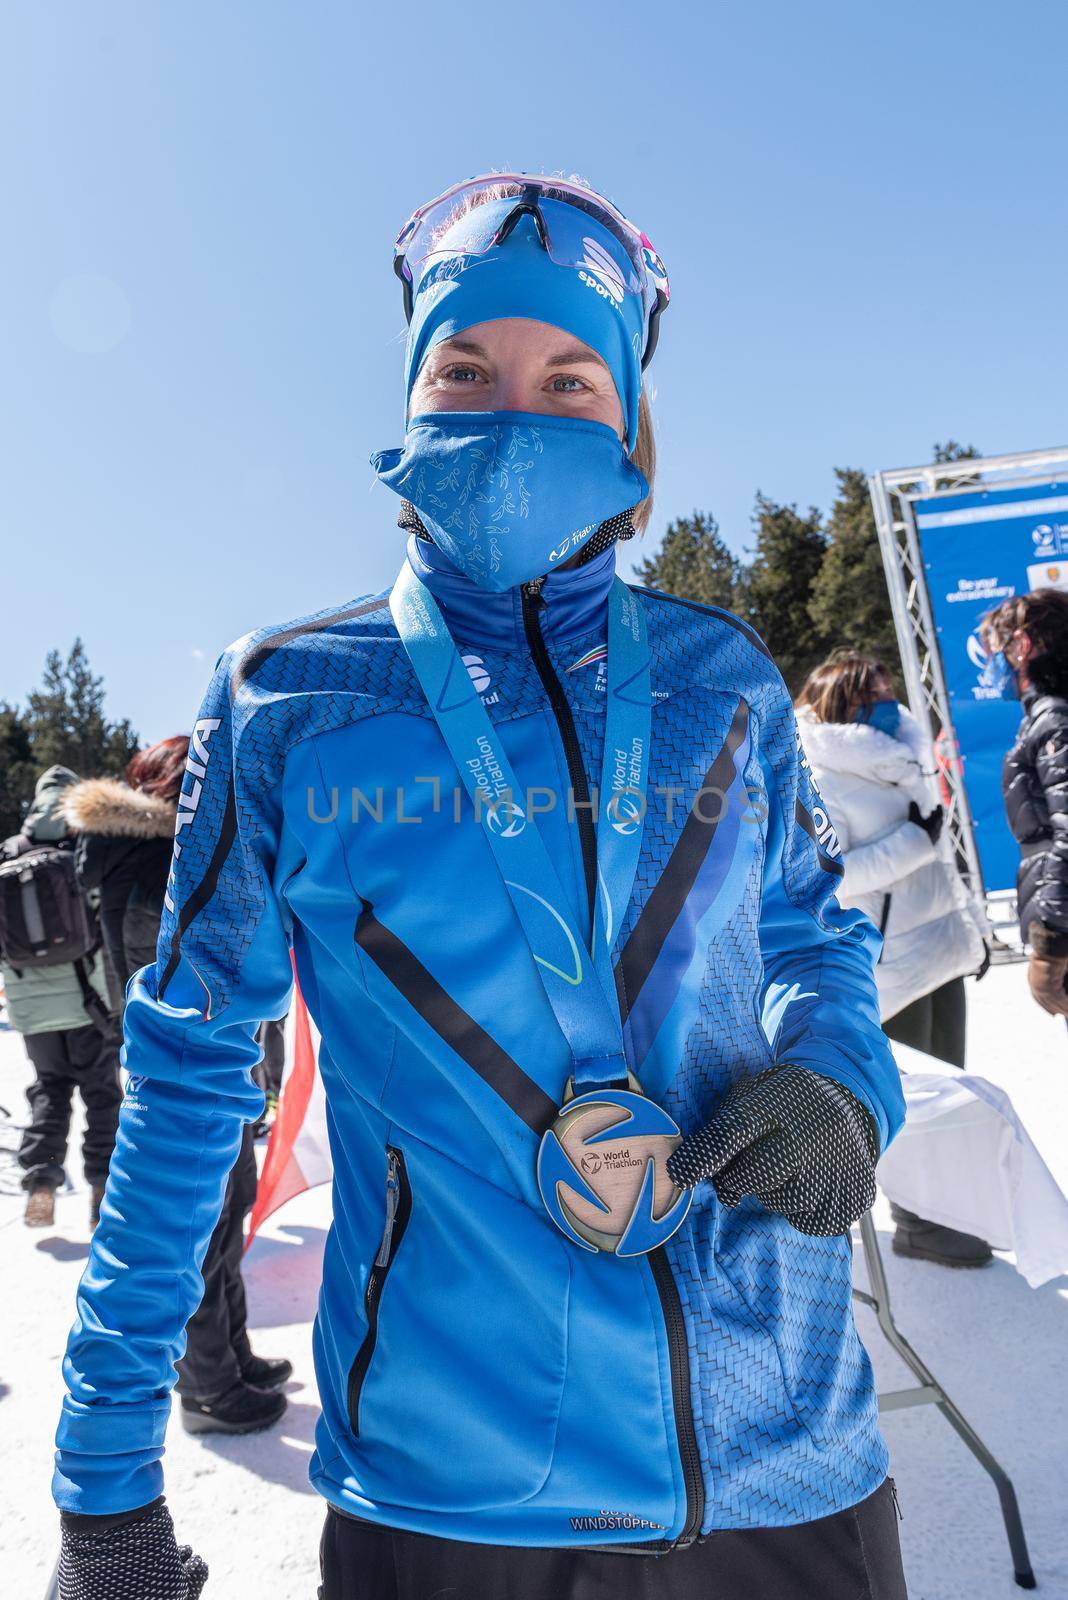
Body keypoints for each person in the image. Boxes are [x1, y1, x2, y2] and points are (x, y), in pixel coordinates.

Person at [54, 173, 908, 1600]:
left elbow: (813, 942)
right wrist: (102, 1488)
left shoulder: (722, 682)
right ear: (412, 402)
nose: (513, 409)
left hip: (783, 1456)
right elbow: (192, 1078)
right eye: (466, 367)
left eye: (570, 378)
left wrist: (842, 1079)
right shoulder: (293, 703)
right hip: (453, 1501)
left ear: (631, 421)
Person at [61, 741, 292, 1436]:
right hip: (188, 1074)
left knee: (226, 1219)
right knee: (198, 1229)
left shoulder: (136, 859)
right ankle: (208, 1389)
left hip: (202, 1067)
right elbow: (181, 977)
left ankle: (232, 1358)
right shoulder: (161, 862)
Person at [796, 651, 991, 1267]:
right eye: (872, 688)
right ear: (841, 700)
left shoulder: (903, 752)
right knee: (907, 1099)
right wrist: (914, 841)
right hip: (886, 962)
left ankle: (944, 1209)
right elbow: (833, 876)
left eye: (886, 684)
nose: (887, 695)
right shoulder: (817, 770)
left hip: (937, 947)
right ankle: (916, 1221)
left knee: (949, 1086)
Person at [0, 766, 118, 1229]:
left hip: (32, 1008)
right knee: (102, 1093)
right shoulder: (81, 848)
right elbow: (102, 928)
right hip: (88, 1000)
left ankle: (42, 1180)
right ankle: (102, 1188)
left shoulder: (8, 852)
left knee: (48, 1090)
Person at [981, 587, 1068, 1015]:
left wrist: (1050, 944)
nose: (992, 662)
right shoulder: (1048, 716)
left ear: (1023, 644)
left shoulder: (1054, 718)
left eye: (996, 648)